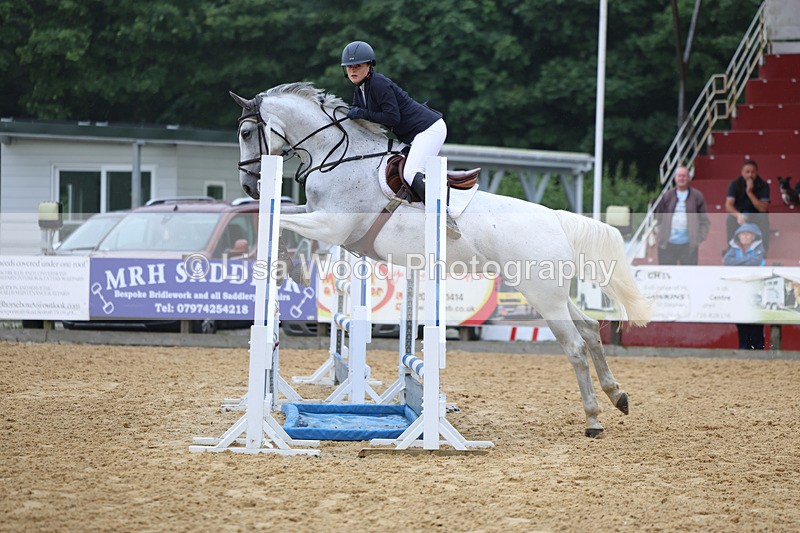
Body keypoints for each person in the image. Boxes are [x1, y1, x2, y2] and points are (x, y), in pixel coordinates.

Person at [340, 40, 460, 238]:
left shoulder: (378, 84)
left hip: (428, 129)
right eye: (349, 67)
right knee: (389, 167)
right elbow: (359, 118)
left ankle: (444, 216)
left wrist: (361, 112)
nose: (353, 70)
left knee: (412, 172)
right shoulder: (360, 90)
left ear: (369, 66)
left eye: (358, 66)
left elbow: (391, 118)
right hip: (411, 134)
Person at [654, 166, 710, 265]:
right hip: (667, 244)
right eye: (679, 176)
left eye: (684, 176)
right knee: (667, 276)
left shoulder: (697, 196)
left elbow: (704, 220)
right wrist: (660, 234)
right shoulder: (667, 196)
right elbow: (659, 217)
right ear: (675, 178)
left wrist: (698, 237)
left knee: (689, 277)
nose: (682, 178)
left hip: (688, 245)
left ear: (689, 178)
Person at [723, 223, 766, 350]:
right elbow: (727, 261)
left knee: (756, 320)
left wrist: (738, 265)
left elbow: (756, 262)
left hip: (756, 289)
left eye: (748, 234)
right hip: (738, 289)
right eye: (742, 234)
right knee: (741, 319)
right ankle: (744, 348)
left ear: (754, 237)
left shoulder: (759, 248)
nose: (745, 236)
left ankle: (758, 348)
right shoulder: (733, 248)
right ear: (738, 236)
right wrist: (746, 262)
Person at [725, 159, 770, 253]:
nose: (750, 175)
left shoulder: (764, 185)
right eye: (747, 172)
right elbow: (728, 205)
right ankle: (731, 249)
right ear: (742, 173)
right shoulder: (735, 184)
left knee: (763, 218)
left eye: (753, 172)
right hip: (740, 214)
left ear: (757, 173)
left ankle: (763, 250)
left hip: (756, 214)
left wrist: (749, 192)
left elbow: (763, 209)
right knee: (730, 219)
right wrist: (738, 215)